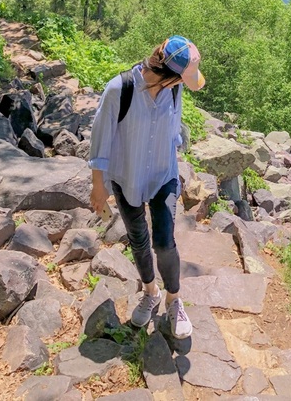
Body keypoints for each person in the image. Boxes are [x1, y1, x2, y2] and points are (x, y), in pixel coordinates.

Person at [88, 35, 205, 339]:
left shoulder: (174, 89)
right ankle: (150, 292)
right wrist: (98, 186)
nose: (182, 84)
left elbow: (174, 127)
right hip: (127, 176)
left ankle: (174, 299)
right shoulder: (120, 89)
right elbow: (100, 138)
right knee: (138, 239)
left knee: (164, 243)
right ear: (168, 74)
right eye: (181, 79)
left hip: (164, 174)